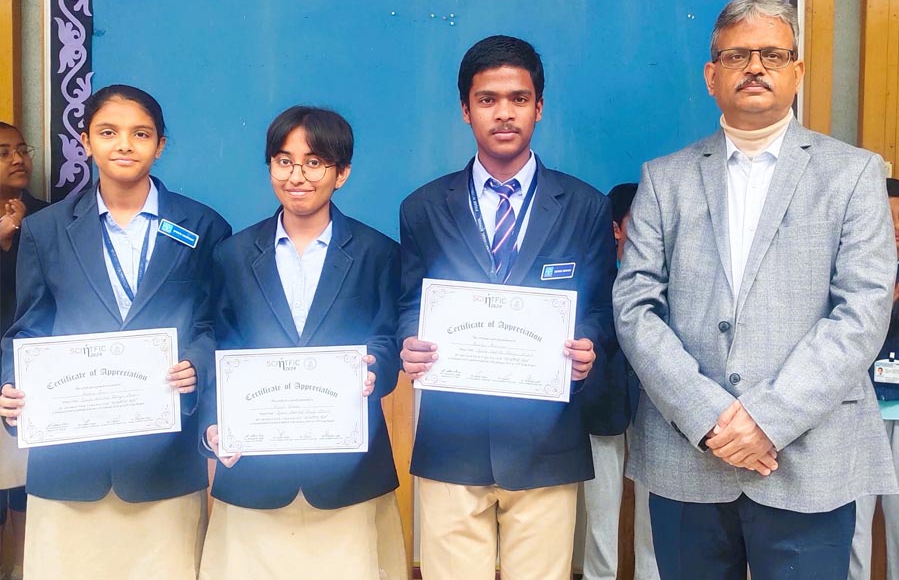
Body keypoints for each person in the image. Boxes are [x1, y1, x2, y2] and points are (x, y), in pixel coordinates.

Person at [613, 0, 897, 579]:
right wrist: (709, 416)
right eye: (737, 56)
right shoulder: (664, 180)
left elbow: (863, 310)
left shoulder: (853, 174)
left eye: (773, 54)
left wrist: (768, 418)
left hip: (808, 457)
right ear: (711, 75)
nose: (755, 68)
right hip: (690, 455)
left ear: (797, 70)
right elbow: (636, 306)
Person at [398, 35, 617, 580]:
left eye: (518, 99)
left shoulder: (585, 206)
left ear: (539, 107)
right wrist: (410, 342)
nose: (503, 113)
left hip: (547, 442)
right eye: (487, 99)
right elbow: (408, 304)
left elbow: (601, 308)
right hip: (451, 442)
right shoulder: (424, 207)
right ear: (465, 109)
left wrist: (589, 345)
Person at [0, 85, 231, 579]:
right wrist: (11, 384)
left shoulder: (204, 226)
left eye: (140, 134)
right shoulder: (45, 229)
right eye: (108, 132)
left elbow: (216, 325)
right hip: (68, 463)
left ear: (160, 145)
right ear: (85, 140)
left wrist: (196, 362)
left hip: (163, 462)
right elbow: (28, 329)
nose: (124, 144)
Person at [198, 106, 406, 580]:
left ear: (341, 173)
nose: (297, 176)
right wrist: (213, 424)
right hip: (254, 473)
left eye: (314, 163)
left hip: (348, 474)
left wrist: (374, 366)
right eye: (284, 161)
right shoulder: (232, 255)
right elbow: (217, 346)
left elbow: (387, 338)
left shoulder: (377, 252)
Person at [582, 182, 659, 580]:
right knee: (600, 511)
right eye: (638, 221)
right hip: (602, 405)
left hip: (657, 410)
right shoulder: (593, 279)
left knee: (655, 514)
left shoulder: (669, 280)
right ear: (616, 228)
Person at [0, 122, 47, 579]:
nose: (17, 159)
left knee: (25, 485)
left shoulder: (50, 218)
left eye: (21, 149)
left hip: (27, 373)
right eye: (3, 152)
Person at [849, 178, 899, 580]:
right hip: (857, 406)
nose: (894, 228)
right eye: (888, 218)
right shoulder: (850, 264)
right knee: (854, 525)